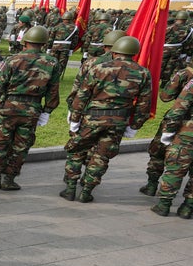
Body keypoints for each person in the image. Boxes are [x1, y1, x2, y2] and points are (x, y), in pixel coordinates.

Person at [62, 35, 152, 203]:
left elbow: (82, 95)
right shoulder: (143, 73)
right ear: (134, 53)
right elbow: (144, 104)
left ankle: (70, 189)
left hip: (93, 119)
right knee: (101, 156)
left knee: (76, 151)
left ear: (114, 51)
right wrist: (134, 126)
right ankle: (87, 191)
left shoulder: (99, 68)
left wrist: (74, 119)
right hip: (118, 121)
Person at [0, 25, 60, 191]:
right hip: (32, 109)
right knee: (21, 144)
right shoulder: (52, 63)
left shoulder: (12, 60)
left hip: (9, 106)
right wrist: (47, 111)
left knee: (1, 140)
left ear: (25, 41)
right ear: (44, 43)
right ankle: (9, 179)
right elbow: (53, 91)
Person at [152, 64, 193, 217]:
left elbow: (179, 107)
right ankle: (188, 207)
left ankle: (164, 205)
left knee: (176, 168)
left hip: (188, 133)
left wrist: (168, 131)